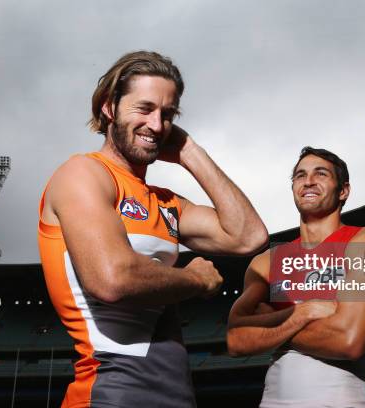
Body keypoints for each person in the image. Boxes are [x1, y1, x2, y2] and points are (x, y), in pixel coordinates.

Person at [37, 51, 268, 408]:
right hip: (109, 394)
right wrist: (195, 280)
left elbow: (248, 236)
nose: (157, 125)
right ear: (109, 107)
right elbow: (111, 279)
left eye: (168, 115)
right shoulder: (83, 174)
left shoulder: (166, 203)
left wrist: (190, 152)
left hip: (174, 394)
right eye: (144, 109)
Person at [227, 147, 365, 407]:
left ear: (343, 191)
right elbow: (236, 339)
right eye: (300, 175)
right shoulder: (266, 261)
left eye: (321, 174)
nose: (308, 181)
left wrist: (267, 324)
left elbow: (349, 340)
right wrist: (304, 312)